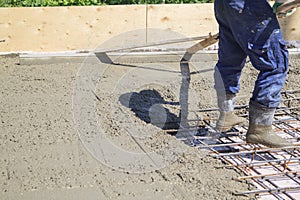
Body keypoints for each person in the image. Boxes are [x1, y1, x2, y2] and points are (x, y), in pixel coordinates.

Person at [213, 0, 296, 148]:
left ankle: (226, 114)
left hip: (226, 4)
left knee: (231, 57)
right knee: (275, 64)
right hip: (248, 5)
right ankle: (261, 128)